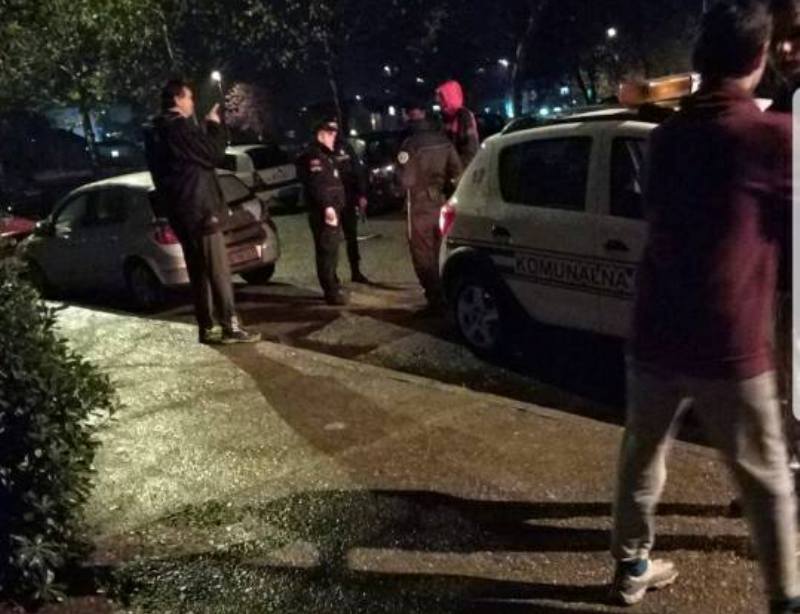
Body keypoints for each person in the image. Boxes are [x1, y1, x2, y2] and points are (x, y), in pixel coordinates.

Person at [609, 2, 799, 612]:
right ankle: (785, 597)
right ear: (759, 56)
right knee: (765, 476)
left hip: (655, 329)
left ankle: (631, 566)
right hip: (727, 339)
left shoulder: (665, 138)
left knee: (642, 453)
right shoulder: (771, 137)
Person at [144, 79, 260, 345]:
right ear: (177, 99)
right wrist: (213, 126)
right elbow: (213, 154)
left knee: (198, 271)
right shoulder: (179, 128)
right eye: (189, 97)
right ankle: (230, 326)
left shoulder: (156, 133)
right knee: (218, 270)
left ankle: (207, 326)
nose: (192, 103)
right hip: (201, 209)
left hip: (180, 212)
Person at [396, 100, 462, 310]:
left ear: (409, 115)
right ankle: (447, 293)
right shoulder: (443, 140)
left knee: (422, 253)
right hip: (441, 201)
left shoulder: (409, 144)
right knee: (441, 249)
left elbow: (406, 180)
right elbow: (458, 173)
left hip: (418, 205)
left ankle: (435, 299)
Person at [296, 118, 348, 306]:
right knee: (327, 251)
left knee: (332, 250)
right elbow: (317, 184)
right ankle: (331, 291)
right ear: (321, 135)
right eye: (331, 134)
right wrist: (327, 207)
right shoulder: (315, 157)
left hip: (332, 209)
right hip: (325, 212)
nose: (334, 137)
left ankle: (334, 284)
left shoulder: (326, 155)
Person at [334, 138, 370, 283]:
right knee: (330, 240)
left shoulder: (345, 147)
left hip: (347, 198)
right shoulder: (317, 151)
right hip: (330, 201)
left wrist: (362, 194)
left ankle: (355, 271)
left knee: (351, 237)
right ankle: (331, 275)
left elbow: (357, 171)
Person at [435, 80, 480, 168]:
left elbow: (471, 148)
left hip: (461, 168)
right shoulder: (442, 117)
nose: (438, 100)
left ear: (450, 96)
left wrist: (458, 169)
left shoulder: (464, 116)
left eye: (441, 97)